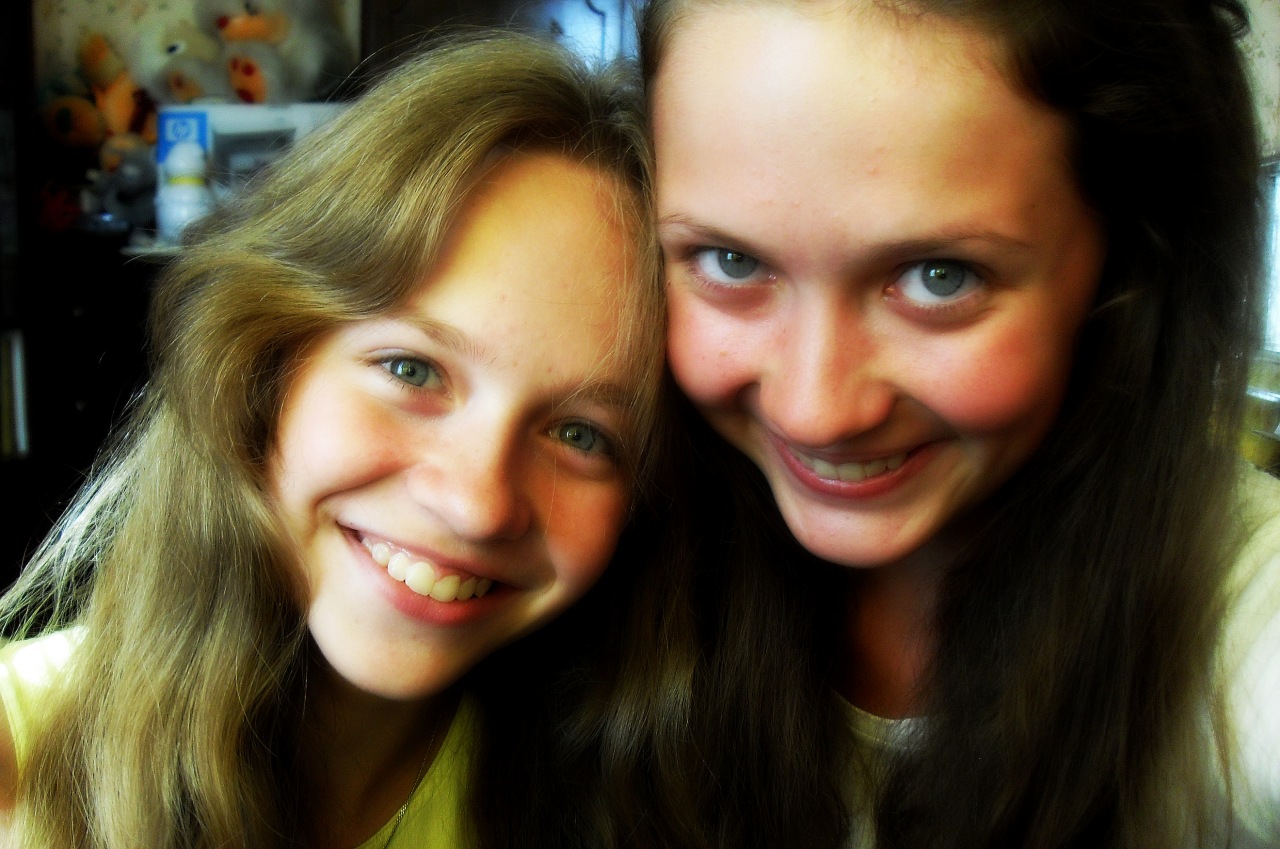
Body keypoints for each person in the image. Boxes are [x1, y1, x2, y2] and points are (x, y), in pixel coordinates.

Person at [574, 1, 1280, 848]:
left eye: (939, 277)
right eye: (731, 262)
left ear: (1124, 266)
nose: (814, 409)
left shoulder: (1246, 638)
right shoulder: (588, 542)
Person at [0, 31, 670, 849]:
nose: (476, 504)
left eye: (580, 433)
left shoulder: (624, 799)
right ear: (265, 364)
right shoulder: (17, 763)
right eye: (412, 369)